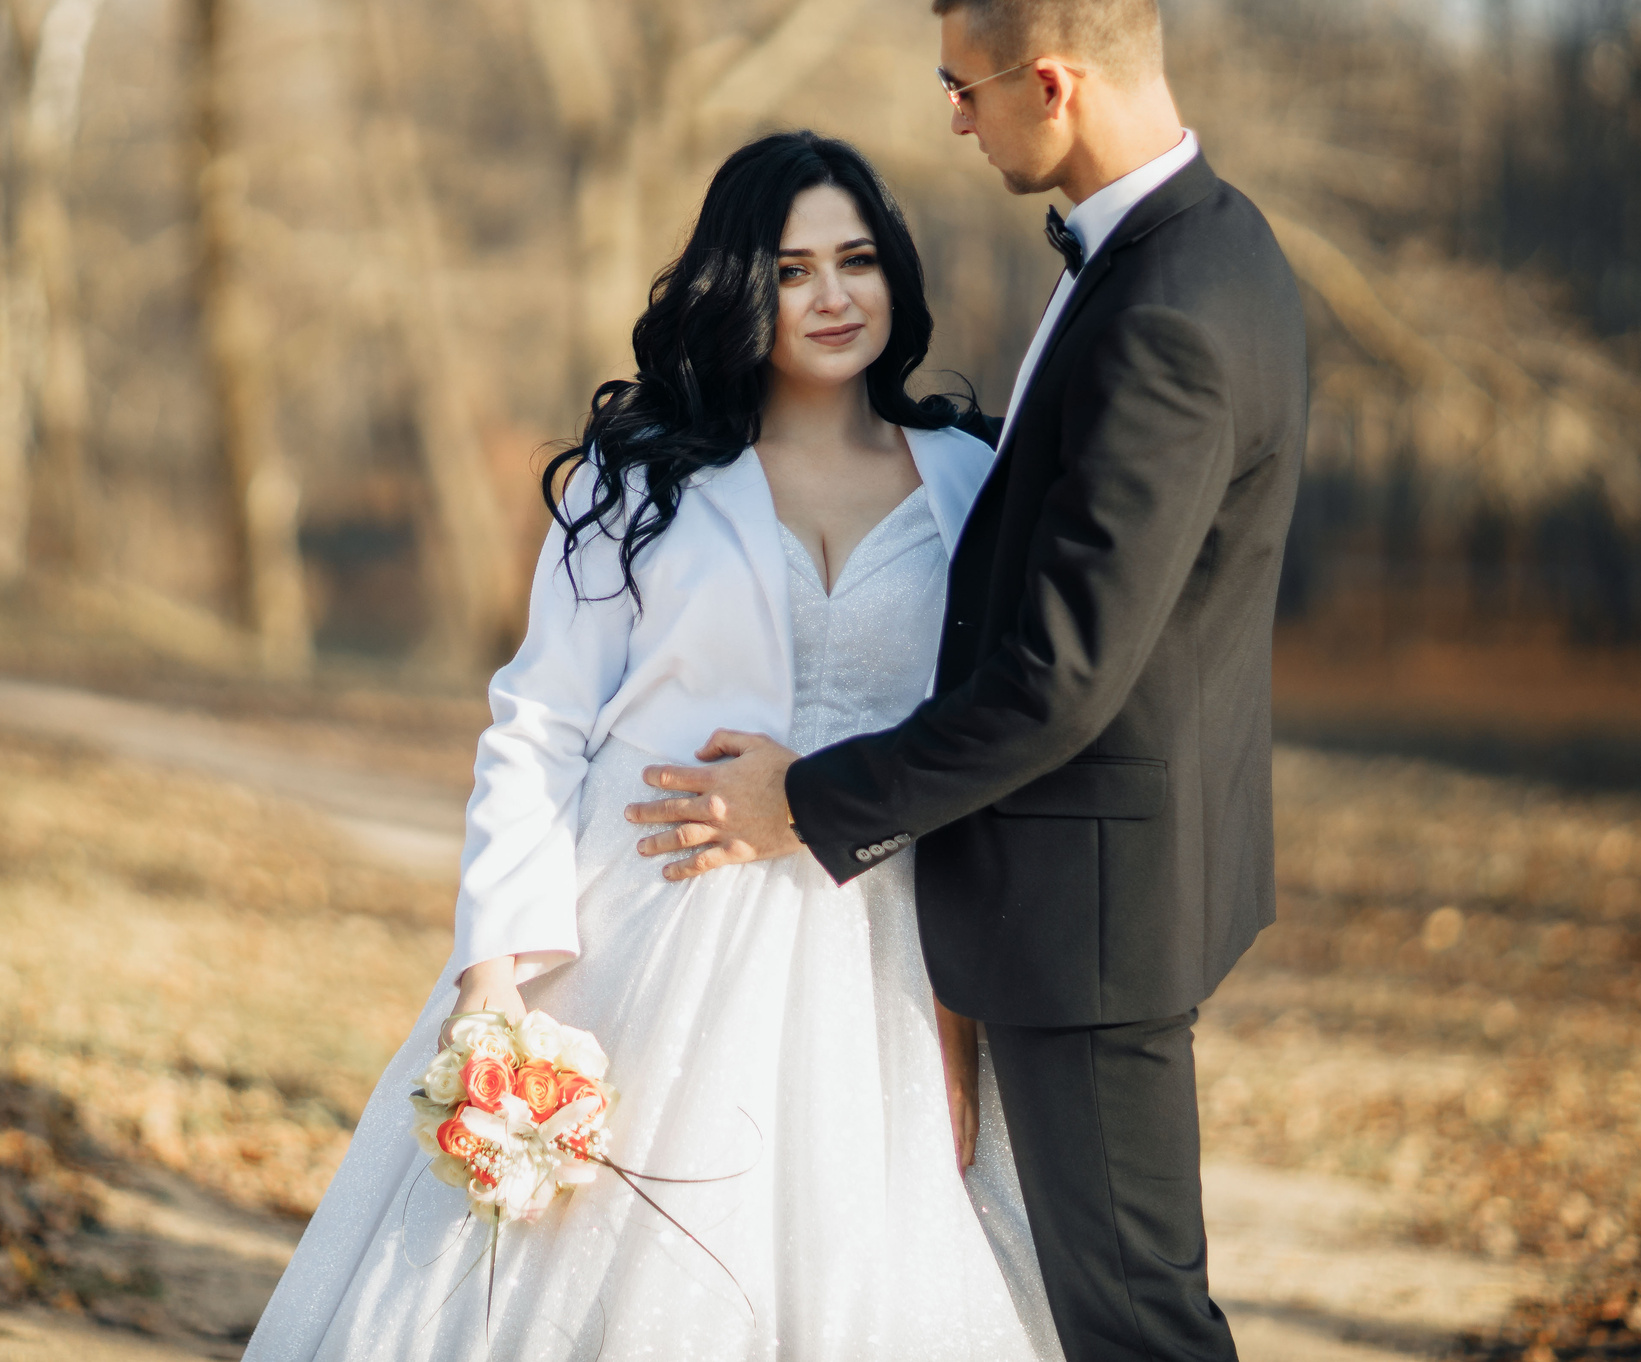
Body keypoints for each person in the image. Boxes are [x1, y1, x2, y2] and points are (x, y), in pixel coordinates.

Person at [243, 131, 1062, 1361]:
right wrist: (495, 971)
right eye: (792, 270)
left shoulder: (970, 477)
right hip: (641, 934)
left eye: (856, 260)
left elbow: (982, 742)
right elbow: (538, 722)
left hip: (880, 951)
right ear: (743, 285)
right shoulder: (639, 481)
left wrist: (966, 1020)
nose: (833, 296)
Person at [627, 0, 1310, 1361]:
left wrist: (799, 804)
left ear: (1051, 81)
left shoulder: (1168, 310)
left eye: (967, 85)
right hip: (1100, 876)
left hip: (1092, 906)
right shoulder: (1197, 247)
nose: (951, 119)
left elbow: (1062, 675)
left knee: (1132, 1319)